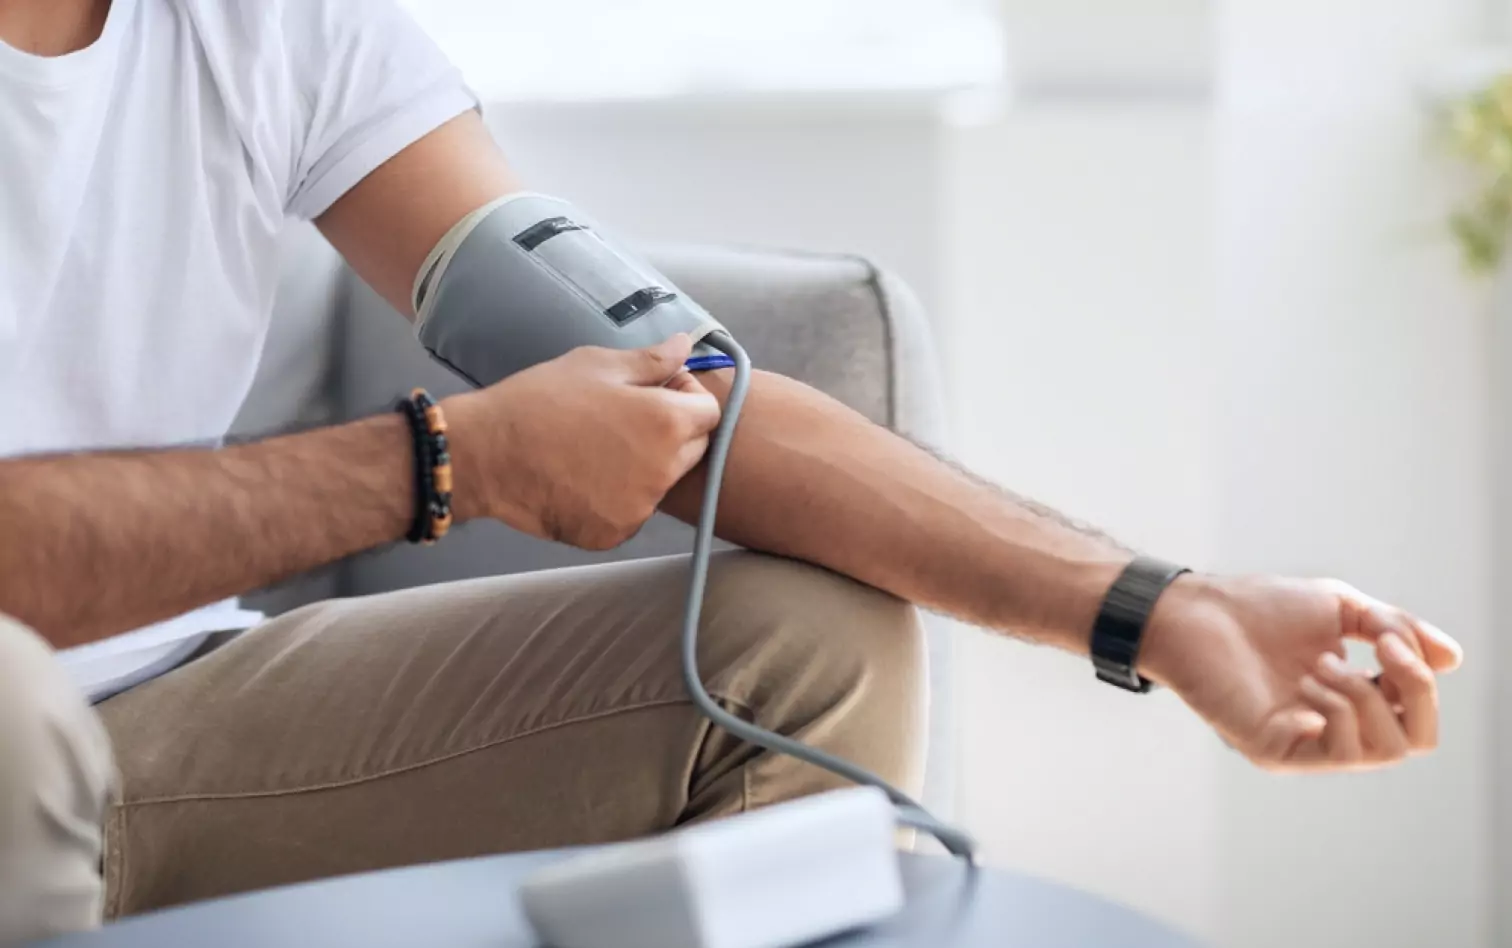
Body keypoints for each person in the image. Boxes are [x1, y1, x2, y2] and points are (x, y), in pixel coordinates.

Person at [0, 0, 1464, 942]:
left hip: (173, 719)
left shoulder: (275, 26)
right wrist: (440, 465)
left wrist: (1160, 606)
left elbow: (683, 384)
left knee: (795, 648)